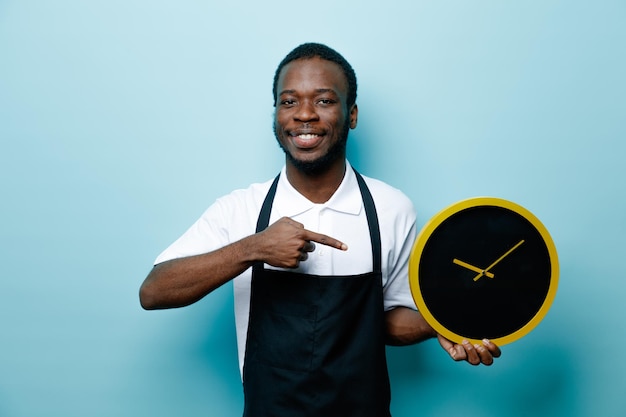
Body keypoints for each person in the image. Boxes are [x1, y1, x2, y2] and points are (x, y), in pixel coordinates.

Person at [139, 42, 501, 417]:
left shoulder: (391, 208)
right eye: (289, 101)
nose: (305, 115)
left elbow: (384, 322)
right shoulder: (241, 209)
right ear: (276, 114)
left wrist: (440, 325)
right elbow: (153, 291)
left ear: (352, 114)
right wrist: (252, 248)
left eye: (325, 101)